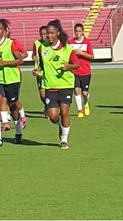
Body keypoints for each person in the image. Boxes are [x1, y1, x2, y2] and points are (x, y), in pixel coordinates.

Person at [32, 19, 80, 149]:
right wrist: (38, 70)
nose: (49, 36)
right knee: (53, 115)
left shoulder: (67, 49)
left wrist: (68, 66)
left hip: (65, 85)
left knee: (65, 112)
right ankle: (60, 125)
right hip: (50, 86)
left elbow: (77, 64)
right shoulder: (43, 48)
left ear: (58, 33)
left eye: (52, 33)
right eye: (47, 33)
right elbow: (42, 65)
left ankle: (64, 140)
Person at [0, 18, 28, 147]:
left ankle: (18, 131)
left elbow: (20, 60)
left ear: (5, 31)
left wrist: (5, 63)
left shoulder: (10, 44)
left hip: (12, 79)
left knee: (13, 105)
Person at [71, 23, 94, 118]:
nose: (78, 33)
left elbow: (92, 56)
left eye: (80, 31)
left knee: (84, 93)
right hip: (75, 71)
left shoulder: (87, 42)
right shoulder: (70, 42)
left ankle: (86, 103)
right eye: (76, 31)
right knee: (76, 91)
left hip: (85, 71)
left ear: (83, 32)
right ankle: (80, 110)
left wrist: (81, 53)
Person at [32, 26, 49, 109]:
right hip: (39, 72)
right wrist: (34, 57)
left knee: (50, 93)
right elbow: (33, 54)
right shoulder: (36, 43)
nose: (43, 36)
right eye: (41, 34)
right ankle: (48, 106)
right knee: (42, 95)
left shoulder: (50, 44)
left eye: (45, 34)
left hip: (49, 72)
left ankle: (51, 108)